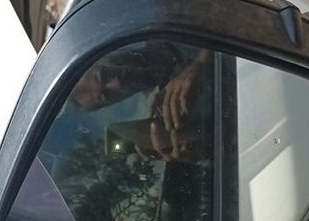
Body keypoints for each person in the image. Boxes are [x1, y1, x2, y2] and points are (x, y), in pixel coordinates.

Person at [70, 41, 211, 160]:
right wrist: (192, 151)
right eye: (107, 95)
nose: (117, 84)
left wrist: (201, 63)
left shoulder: (162, 25)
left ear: (102, 56)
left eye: (105, 74)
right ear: (114, 103)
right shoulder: (169, 109)